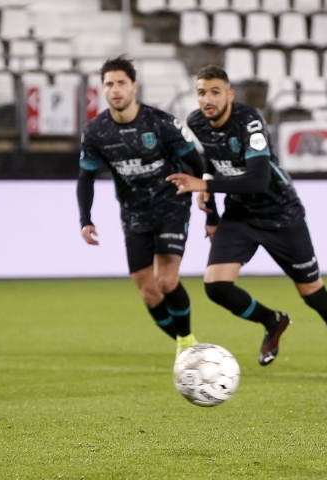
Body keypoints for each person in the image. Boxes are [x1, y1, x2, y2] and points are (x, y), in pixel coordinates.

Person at [165, 65, 327, 375]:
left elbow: (258, 180)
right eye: (201, 93)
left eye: (215, 92)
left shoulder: (249, 122)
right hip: (239, 214)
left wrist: (203, 185)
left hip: (281, 213)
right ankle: (271, 320)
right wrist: (213, 214)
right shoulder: (197, 121)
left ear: (230, 95)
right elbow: (211, 159)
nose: (207, 99)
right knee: (216, 285)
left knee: (312, 293)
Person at [77, 56, 210, 357]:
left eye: (121, 82)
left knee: (165, 280)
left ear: (134, 86)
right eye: (109, 84)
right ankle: (185, 344)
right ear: (103, 89)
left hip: (171, 204)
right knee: (149, 293)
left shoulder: (161, 122)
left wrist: (204, 188)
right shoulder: (96, 132)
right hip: (134, 213)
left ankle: (187, 343)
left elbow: (194, 160)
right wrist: (85, 219)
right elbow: (85, 178)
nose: (115, 89)